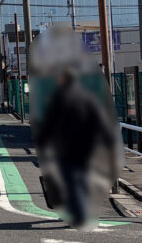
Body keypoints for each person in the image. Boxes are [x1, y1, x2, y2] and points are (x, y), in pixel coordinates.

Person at [32, 66, 117, 229]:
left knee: (70, 181)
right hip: (88, 147)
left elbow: (48, 124)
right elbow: (102, 122)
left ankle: (80, 215)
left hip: (66, 147)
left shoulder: (59, 98)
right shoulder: (88, 98)